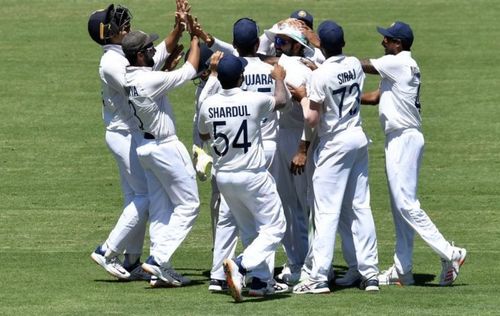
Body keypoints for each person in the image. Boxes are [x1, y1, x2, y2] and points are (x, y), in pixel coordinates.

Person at [360, 21, 466, 286]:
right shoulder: (400, 67)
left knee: (406, 204)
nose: (383, 42)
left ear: (399, 44)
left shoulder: (398, 63)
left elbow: (361, 66)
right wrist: (339, 95)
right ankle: (402, 268)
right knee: (400, 206)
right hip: (402, 137)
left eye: (387, 39)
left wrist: (330, 64)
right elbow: (375, 97)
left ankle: (450, 252)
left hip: (403, 138)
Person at [288, 20, 379, 294]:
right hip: (357, 140)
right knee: (359, 208)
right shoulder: (352, 63)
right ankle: (367, 273)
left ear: (321, 46)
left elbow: (312, 119)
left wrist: (303, 97)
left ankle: (317, 278)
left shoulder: (319, 76)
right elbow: (337, 72)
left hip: (334, 146)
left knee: (325, 212)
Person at [198, 54, 287, 302]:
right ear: (241, 77)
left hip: (225, 177)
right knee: (276, 226)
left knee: (249, 230)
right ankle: (240, 265)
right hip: (252, 175)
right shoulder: (253, 99)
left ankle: (259, 282)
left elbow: (204, 134)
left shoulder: (208, 104)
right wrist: (279, 79)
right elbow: (281, 101)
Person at [122, 17, 201, 287]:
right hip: (165, 147)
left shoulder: (129, 77)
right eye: (150, 48)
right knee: (189, 205)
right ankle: (159, 258)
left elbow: (159, 74)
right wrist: (194, 37)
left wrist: (175, 39)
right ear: (140, 55)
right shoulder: (149, 81)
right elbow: (190, 70)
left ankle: (160, 268)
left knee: (161, 208)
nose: (155, 51)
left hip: (145, 148)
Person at [87, 3, 152, 281]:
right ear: (108, 32)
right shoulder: (112, 62)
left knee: (134, 198)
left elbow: (144, 65)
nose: (124, 23)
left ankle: (132, 260)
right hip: (123, 135)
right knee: (145, 197)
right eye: (117, 22)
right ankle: (106, 250)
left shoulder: (120, 55)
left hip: (125, 133)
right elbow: (137, 83)